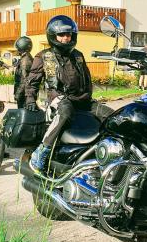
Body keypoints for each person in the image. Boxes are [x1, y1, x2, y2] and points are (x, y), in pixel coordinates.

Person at [25, 15, 112, 172]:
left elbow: (86, 78)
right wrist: (30, 100)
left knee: (110, 115)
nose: (66, 38)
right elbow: (32, 81)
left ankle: (109, 152)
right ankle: (41, 152)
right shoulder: (44, 56)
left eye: (69, 34)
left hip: (82, 100)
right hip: (58, 97)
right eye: (62, 34)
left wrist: (88, 97)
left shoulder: (78, 55)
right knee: (65, 111)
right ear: (53, 36)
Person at [13, 36, 33, 108]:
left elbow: (24, 79)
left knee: (24, 114)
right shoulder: (26, 57)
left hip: (24, 95)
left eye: (17, 48)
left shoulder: (25, 60)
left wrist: (18, 94)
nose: (17, 49)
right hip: (26, 94)